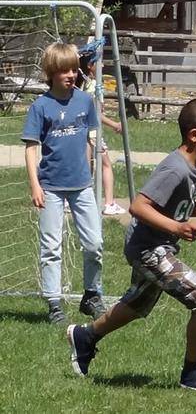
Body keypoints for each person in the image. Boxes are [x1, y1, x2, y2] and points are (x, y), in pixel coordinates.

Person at [65, 99, 196, 392]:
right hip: (148, 249)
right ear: (194, 135)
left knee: (136, 304)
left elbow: (177, 206)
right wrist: (176, 228)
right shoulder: (175, 169)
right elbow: (139, 206)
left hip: (159, 246)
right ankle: (191, 374)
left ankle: (85, 337)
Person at [22, 43, 105, 325]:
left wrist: (90, 169)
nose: (71, 74)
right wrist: (35, 185)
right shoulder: (40, 107)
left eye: (74, 69)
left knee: (94, 243)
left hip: (82, 186)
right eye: (64, 70)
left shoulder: (85, 102)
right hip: (51, 188)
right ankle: (53, 302)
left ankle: (92, 294)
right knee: (51, 247)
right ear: (51, 73)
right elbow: (31, 148)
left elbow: (89, 139)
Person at [78, 50, 126, 215]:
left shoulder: (86, 84)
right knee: (105, 165)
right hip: (92, 133)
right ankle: (109, 203)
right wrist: (114, 124)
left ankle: (74, 201)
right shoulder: (93, 87)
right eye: (100, 62)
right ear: (91, 66)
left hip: (86, 131)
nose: (104, 65)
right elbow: (95, 113)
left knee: (86, 166)